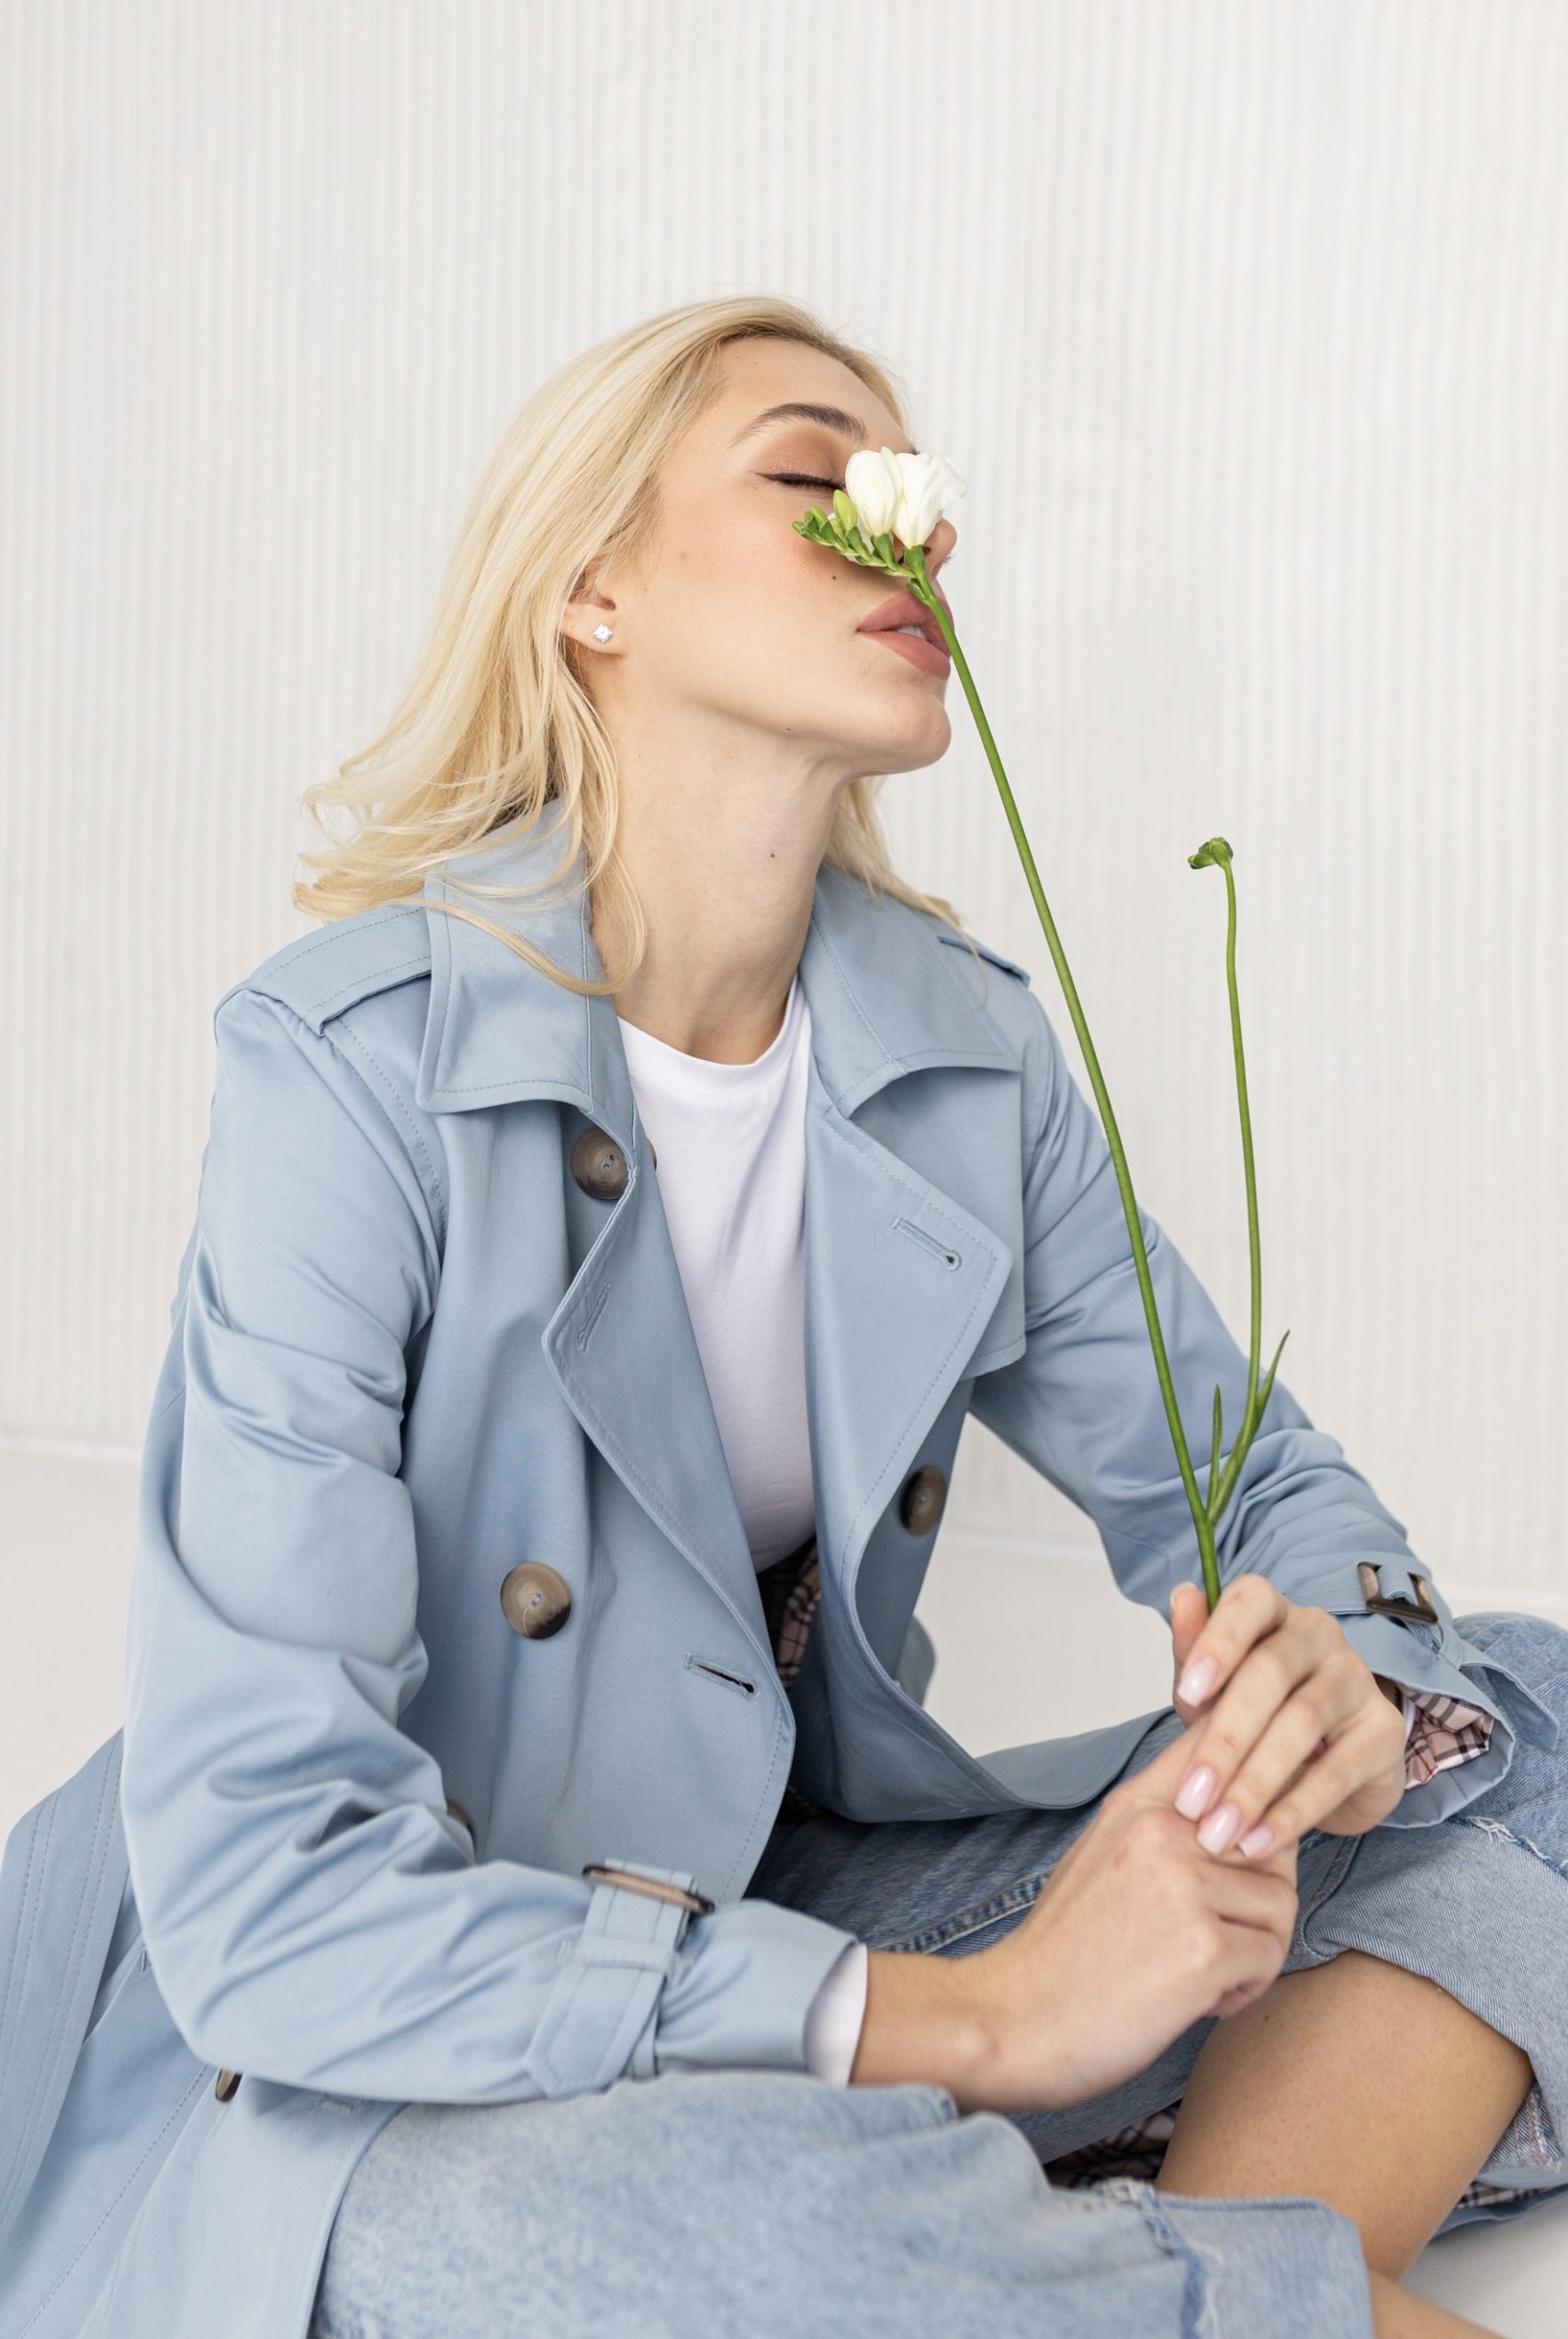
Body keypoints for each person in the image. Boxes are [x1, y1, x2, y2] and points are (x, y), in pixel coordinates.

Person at [4, 297, 1566, 2339]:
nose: (904, 531)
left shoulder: (957, 1056)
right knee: (519, 2230)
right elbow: (271, 1902)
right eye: (814, 474)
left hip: (766, 1906)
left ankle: (1076, 2276)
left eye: (911, 491)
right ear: (593, 588)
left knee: (1512, 1722)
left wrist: (1325, 1681)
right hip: (384, 2031)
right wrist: (985, 2016)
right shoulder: (349, 1070)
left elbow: (1249, 1475)